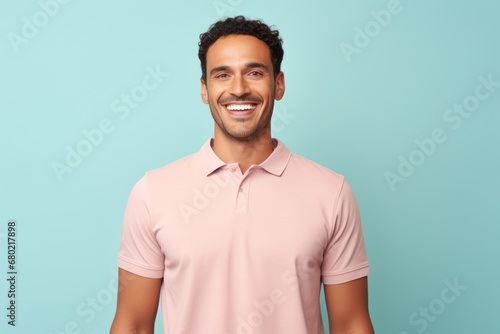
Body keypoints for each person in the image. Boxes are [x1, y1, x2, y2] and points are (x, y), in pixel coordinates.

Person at [110, 15, 374, 334]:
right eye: (223, 75)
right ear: (204, 90)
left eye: (254, 72)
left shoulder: (331, 192)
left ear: (278, 84)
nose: (239, 89)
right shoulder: (153, 193)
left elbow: (351, 325)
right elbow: (133, 324)